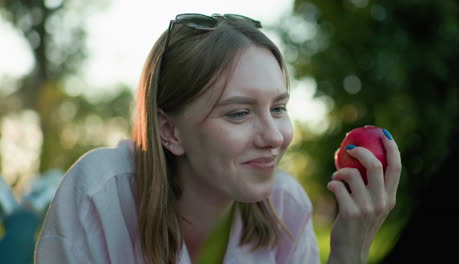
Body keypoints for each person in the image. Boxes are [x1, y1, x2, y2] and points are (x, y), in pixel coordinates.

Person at [35, 13, 401, 264]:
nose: (275, 137)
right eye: (239, 112)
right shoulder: (100, 197)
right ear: (170, 131)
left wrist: (349, 253)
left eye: (278, 108)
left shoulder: (288, 208)